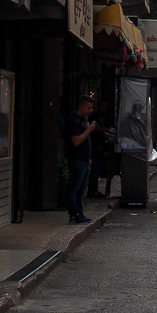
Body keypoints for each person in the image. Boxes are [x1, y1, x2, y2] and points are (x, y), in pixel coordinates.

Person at [66, 96, 96, 224]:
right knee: (75, 188)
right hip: (77, 159)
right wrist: (88, 130)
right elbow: (76, 141)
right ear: (81, 106)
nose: (90, 111)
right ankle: (74, 213)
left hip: (83, 159)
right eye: (88, 108)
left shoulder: (81, 120)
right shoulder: (74, 121)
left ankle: (79, 212)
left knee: (81, 189)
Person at [88, 102, 114, 199]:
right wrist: (106, 129)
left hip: (98, 145)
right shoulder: (95, 116)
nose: (105, 109)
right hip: (95, 146)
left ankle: (93, 189)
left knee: (96, 169)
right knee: (96, 169)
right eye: (103, 106)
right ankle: (93, 190)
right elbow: (96, 128)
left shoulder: (100, 116)